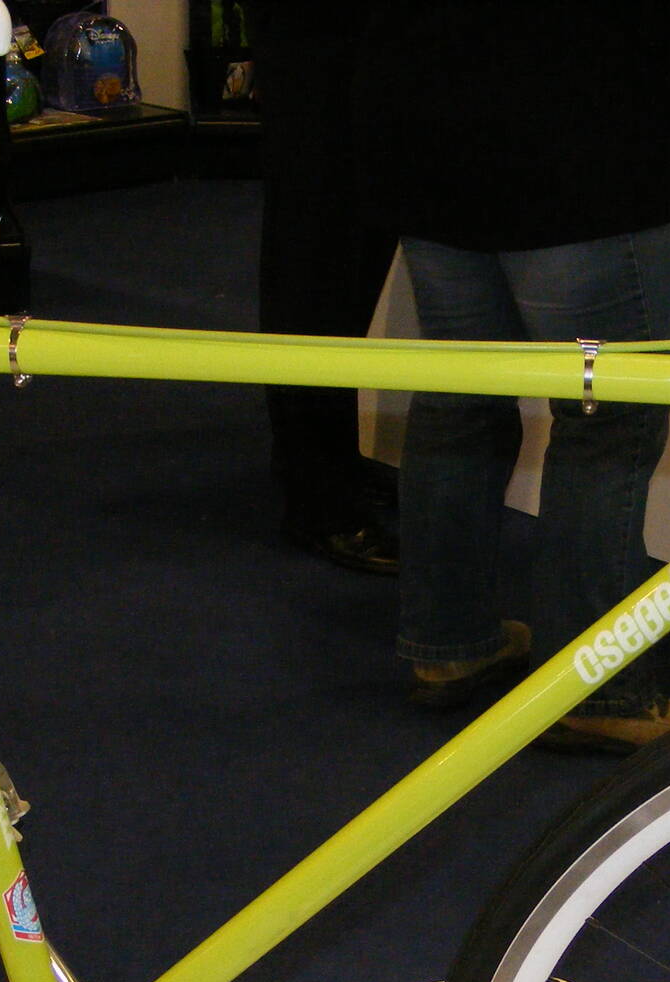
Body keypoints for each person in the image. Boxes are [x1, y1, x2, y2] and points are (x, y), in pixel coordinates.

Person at [352, 6, 670, 752]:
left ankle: (449, 644)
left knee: (459, 402)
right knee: (608, 420)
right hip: (575, 148)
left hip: (428, 141)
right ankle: (598, 687)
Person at [244, 1, 400, 575]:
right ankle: (319, 497)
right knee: (317, 266)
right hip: (317, 41)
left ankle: (325, 462)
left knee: (352, 256)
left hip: (366, 44)